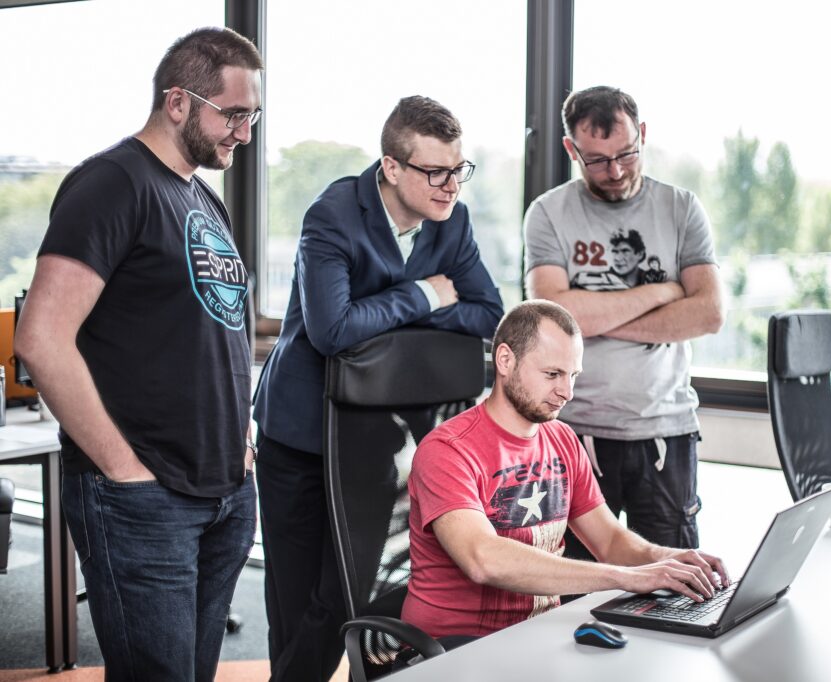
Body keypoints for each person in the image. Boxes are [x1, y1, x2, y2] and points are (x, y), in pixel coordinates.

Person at [14, 27, 263, 681]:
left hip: (223, 491)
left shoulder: (202, 198)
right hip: (144, 498)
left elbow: (216, 331)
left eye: (253, 116)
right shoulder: (111, 183)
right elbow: (41, 337)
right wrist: (123, 469)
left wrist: (239, 448)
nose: (244, 132)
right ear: (177, 102)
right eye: (233, 114)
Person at [252, 95, 504, 680]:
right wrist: (424, 295)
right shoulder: (333, 214)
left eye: (458, 170)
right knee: (295, 599)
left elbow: (488, 313)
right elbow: (332, 331)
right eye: (435, 172)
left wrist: (384, 316)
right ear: (391, 166)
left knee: (349, 591)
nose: (450, 186)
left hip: (379, 438)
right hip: (300, 431)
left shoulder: (452, 220)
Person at [402, 301, 729, 640]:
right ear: (505, 360)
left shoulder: (562, 439)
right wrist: (627, 578)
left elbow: (610, 541)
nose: (567, 392)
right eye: (552, 374)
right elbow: (482, 559)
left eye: (573, 375)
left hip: (538, 637)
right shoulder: (448, 449)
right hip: (456, 649)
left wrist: (668, 560)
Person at [524, 85, 725, 557]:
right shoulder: (548, 213)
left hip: (665, 429)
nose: (615, 171)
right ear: (571, 149)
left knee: (674, 581)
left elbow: (709, 313)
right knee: (574, 583)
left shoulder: (681, 208)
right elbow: (552, 316)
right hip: (575, 432)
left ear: (643, 135)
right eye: (596, 160)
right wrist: (662, 293)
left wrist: (591, 316)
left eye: (626, 154)